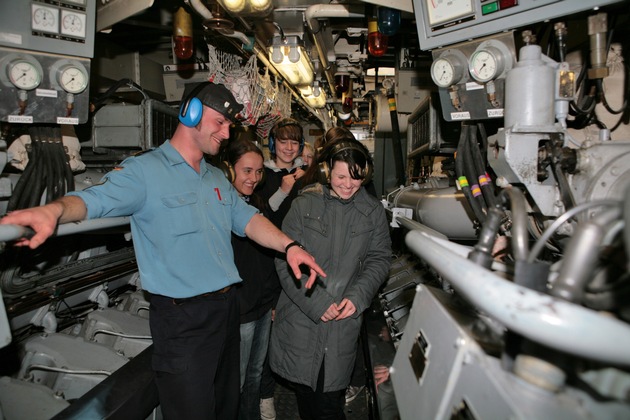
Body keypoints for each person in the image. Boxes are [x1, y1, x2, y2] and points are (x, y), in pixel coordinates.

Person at [0, 82, 326, 420]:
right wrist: (52, 211)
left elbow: (248, 220)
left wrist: (289, 246)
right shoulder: (145, 172)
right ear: (191, 113)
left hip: (228, 308)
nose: (227, 133)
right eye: (220, 122)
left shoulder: (215, 178)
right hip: (183, 319)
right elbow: (91, 201)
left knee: (225, 407)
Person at [269, 136, 392, 420]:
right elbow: (285, 260)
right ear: (326, 171)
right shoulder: (303, 205)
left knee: (328, 403)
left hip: (342, 324)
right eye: (340, 176)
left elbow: (379, 258)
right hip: (302, 319)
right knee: (308, 399)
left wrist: (358, 296)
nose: (348, 185)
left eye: (356, 178)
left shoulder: (372, 212)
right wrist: (317, 303)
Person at [221, 138, 276, 420]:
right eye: (246, 171)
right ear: (229, 169)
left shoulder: (257, 202)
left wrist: (273, 299)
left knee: (254, 375)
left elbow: (266, 259)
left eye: (258, 171)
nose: (253, 178)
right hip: (239, 308)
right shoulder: (219, 206)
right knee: (238, 379)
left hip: (263, 304)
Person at [257, 117, 308, 419]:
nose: (288, 148)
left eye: (294, 142)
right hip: (269, 260)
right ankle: (265, 395)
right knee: (267, 333)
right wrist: (284, 190)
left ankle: (301, 388)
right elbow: (258, 217)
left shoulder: (307, 173)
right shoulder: (262, 175)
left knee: (297, 329)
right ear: (273, 143)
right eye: (283, 141)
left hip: (300, 260)